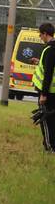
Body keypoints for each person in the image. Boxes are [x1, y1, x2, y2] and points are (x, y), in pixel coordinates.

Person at [31, 22, 55, 152]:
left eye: (40, 34)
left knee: (46, 120)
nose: (40, 36)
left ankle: (50, 146)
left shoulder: (49, 49)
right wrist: (39, 62)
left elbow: (48, 74)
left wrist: (43, 94)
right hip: (53, 92)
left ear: (45, 34)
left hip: (48, 92)